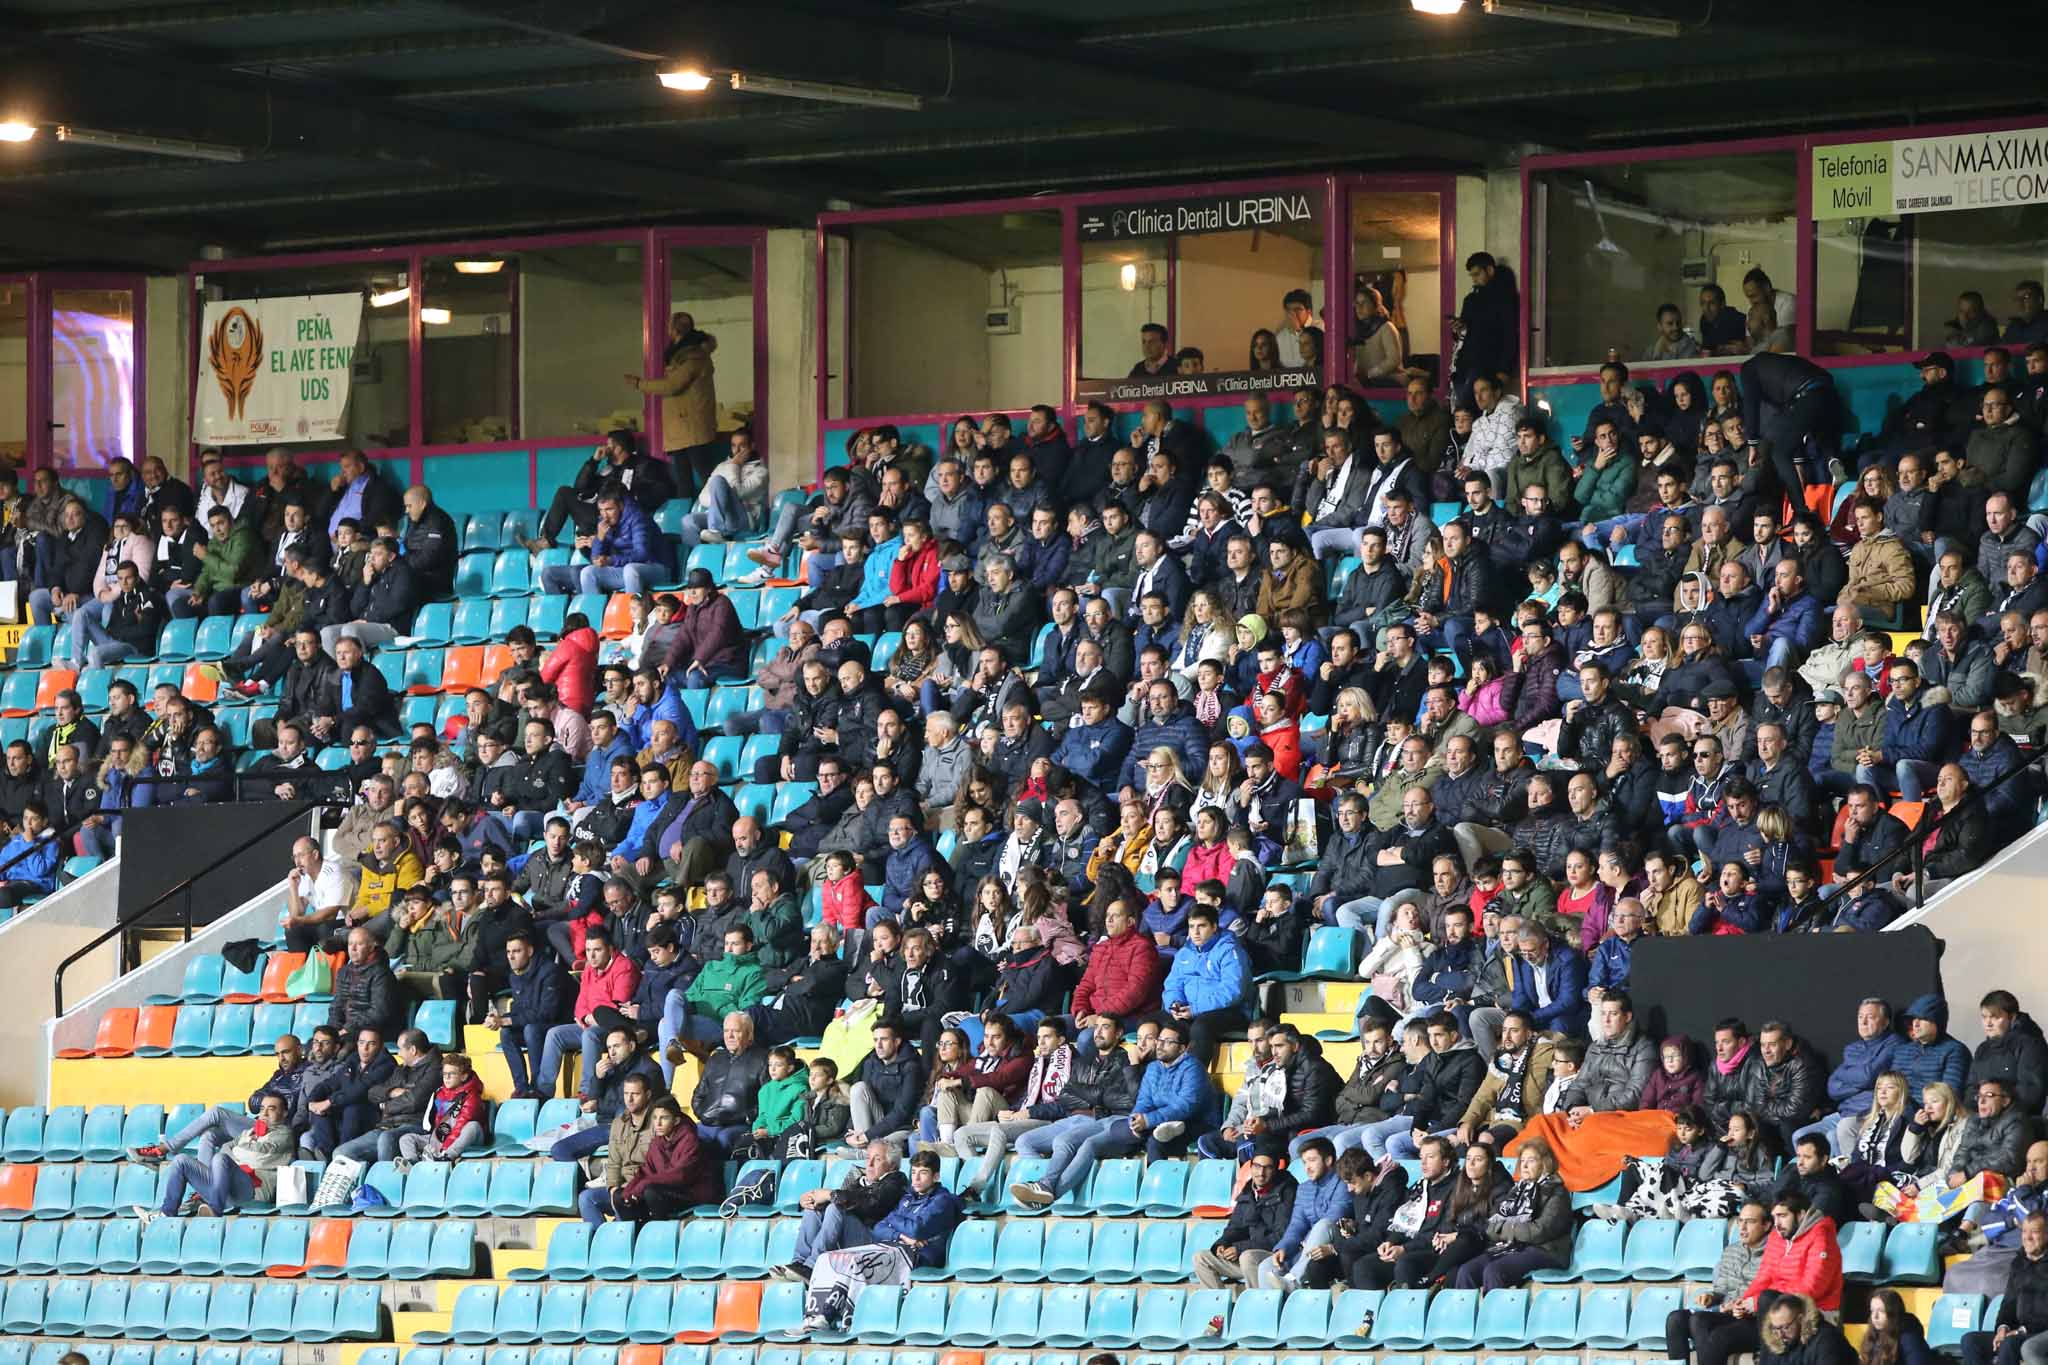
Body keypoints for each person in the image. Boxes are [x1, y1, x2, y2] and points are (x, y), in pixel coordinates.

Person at [798, 1149, 965, 1334]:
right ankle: (814, 1315)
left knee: (856, 1263)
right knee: (829, 1258)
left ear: (936, 1176)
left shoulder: (943, 1201)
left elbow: (917, 1229)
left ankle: (831, 1316)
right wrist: (900, 1235)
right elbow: (879, 1228)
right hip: (893, 1246)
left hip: (916, 1257)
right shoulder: (908, 1198)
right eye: (914, 1172)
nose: (916, 1179)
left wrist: (896, 1223)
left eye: (923, 1173)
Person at [135, 1092, 296, 1223]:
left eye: (272, 1109)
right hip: (227, 1188)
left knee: (220, 1159)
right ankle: (166, 1215)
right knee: (181, 1160)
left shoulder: (284, 1134)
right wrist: (244, 1147)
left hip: (254, 1190)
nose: (265, 1113)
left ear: (284, 1113)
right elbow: (228, 1147)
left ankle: (214, 1210)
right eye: (262, 1109)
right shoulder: (250, 1133)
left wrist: (240, 1149)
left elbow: (256, 1158)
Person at [1962, 1212, 2048, 1365]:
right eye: (2024, 1231)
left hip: (2040, 1334)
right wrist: (2002, 1328)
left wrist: (2020, 1331)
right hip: (2018, 1333)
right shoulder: (2018, 1263)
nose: (2027, 1237)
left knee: (2010, 1344)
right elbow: (2008, 1303)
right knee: (1970, 1340)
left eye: (2034, 1232)